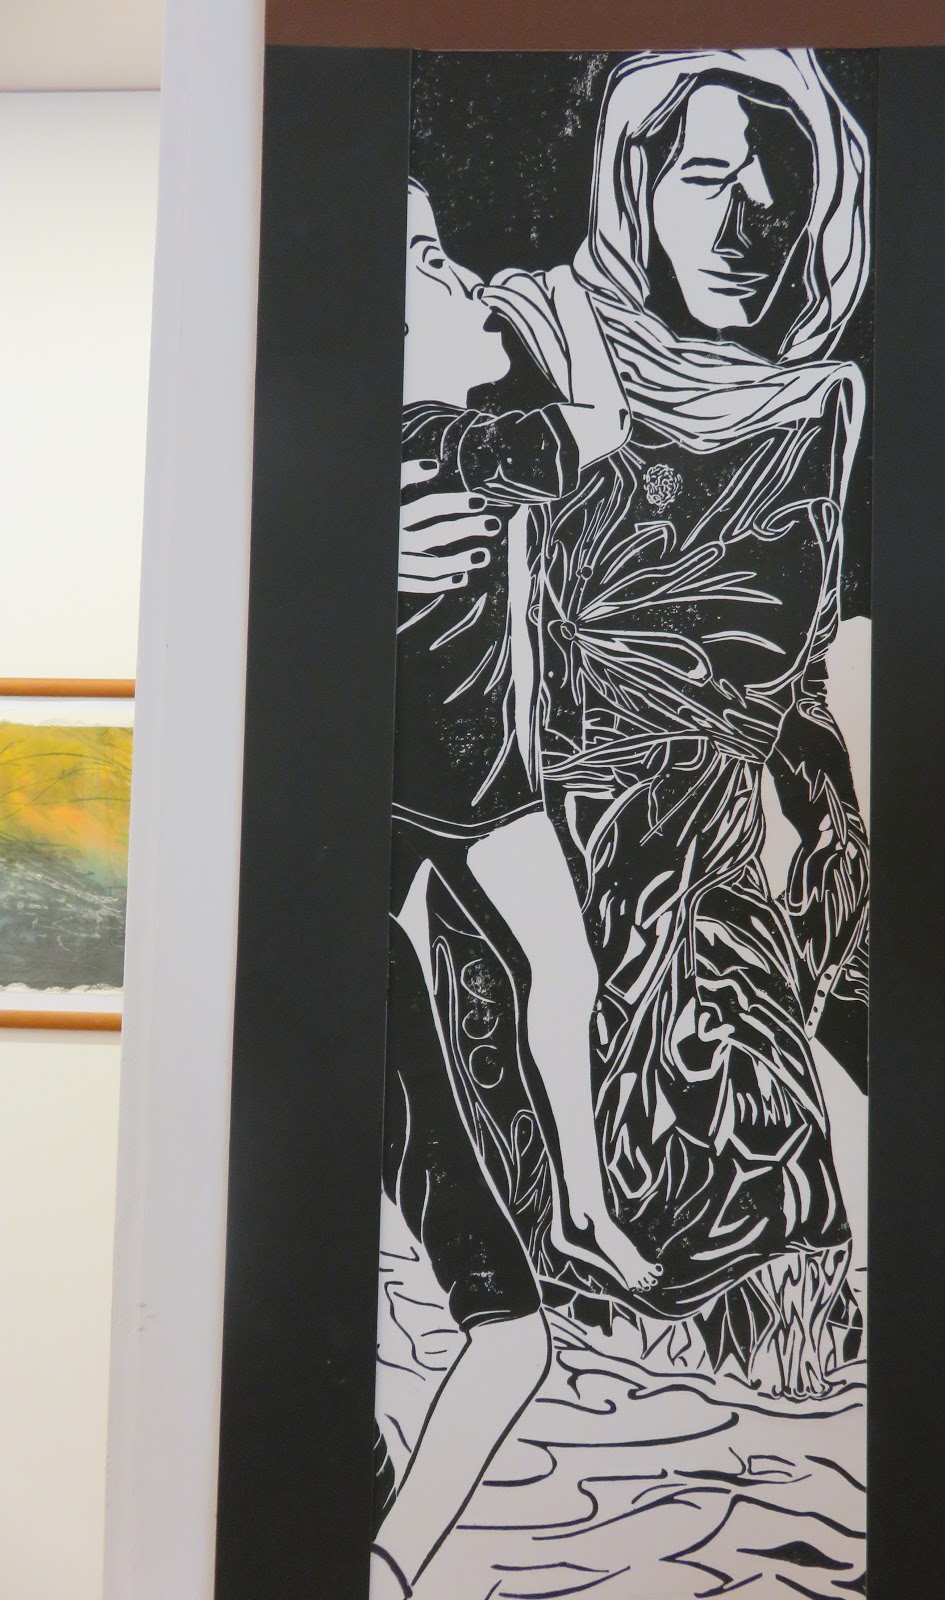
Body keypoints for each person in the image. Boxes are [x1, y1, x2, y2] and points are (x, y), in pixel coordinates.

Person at [424, 48, 872, 1397]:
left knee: (784, 1304)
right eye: (706, 177)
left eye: (780, 189)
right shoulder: (529, 343)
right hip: (538, 852)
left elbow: (802, 672)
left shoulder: (819, 409)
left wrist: (837, 844)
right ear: (632, 184)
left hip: (724, 896)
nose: (747, 222)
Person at [372, 180, 660, 1598]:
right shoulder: (441, 437)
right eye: (428, 262)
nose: (460, 274)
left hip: (485, 786)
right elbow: (598, 428)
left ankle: (582, 1208)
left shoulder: (424, 440)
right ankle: (581, 1211)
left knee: (566, 968)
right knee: (553, 969)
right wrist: (563, 323)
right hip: (449, 789)